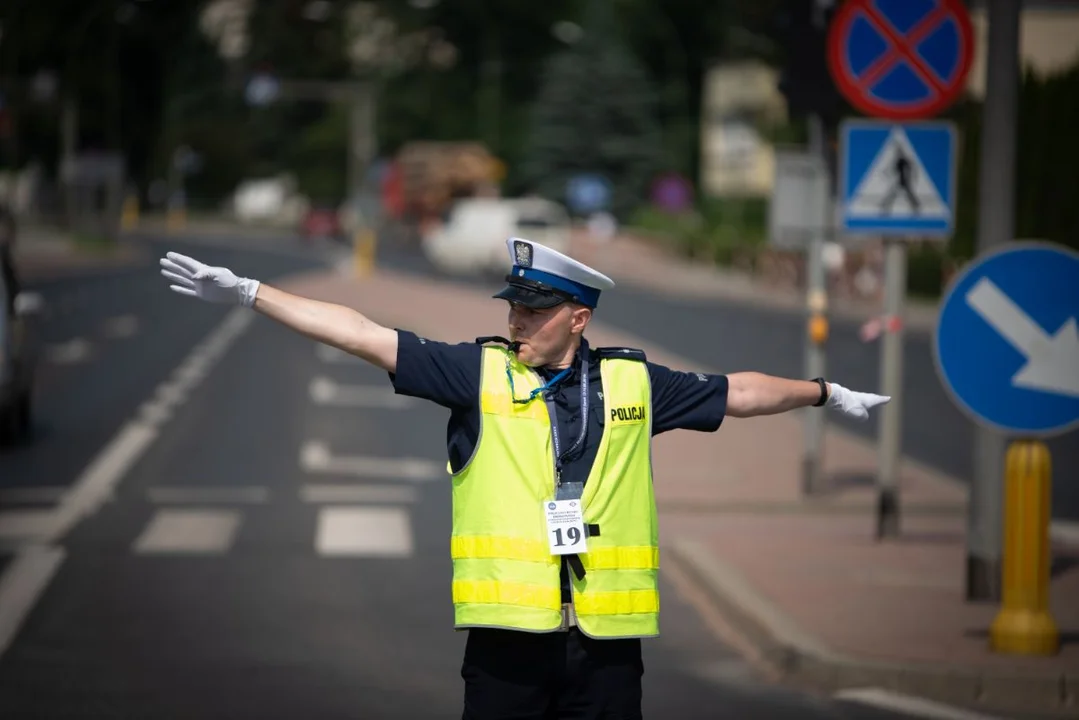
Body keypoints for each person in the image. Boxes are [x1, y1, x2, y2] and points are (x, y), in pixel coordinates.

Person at [159, 237, 889, 719]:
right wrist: (254, 292)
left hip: (606, 649)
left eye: (533, 311)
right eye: (512, 306)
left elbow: (739, 391)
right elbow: (361, 333)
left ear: (577, 318)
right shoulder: (476, 374)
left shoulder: (633, 382)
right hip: (508, 647)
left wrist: (823, 392)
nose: (516, 321)